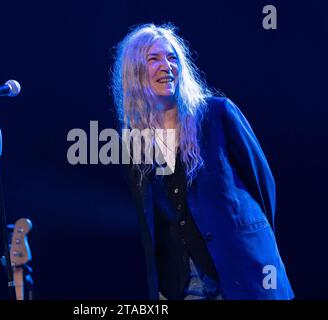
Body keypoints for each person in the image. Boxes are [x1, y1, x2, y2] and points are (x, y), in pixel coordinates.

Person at [111, 23, 294, 300]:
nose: (166, 66)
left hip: (245, 273)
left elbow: (262, 184)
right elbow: (151, 223)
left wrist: (257, 243)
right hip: (187, 285)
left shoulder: (217, 114)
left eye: (172, 58)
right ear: (133, 73)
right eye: (153, 59)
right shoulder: (134, 145)